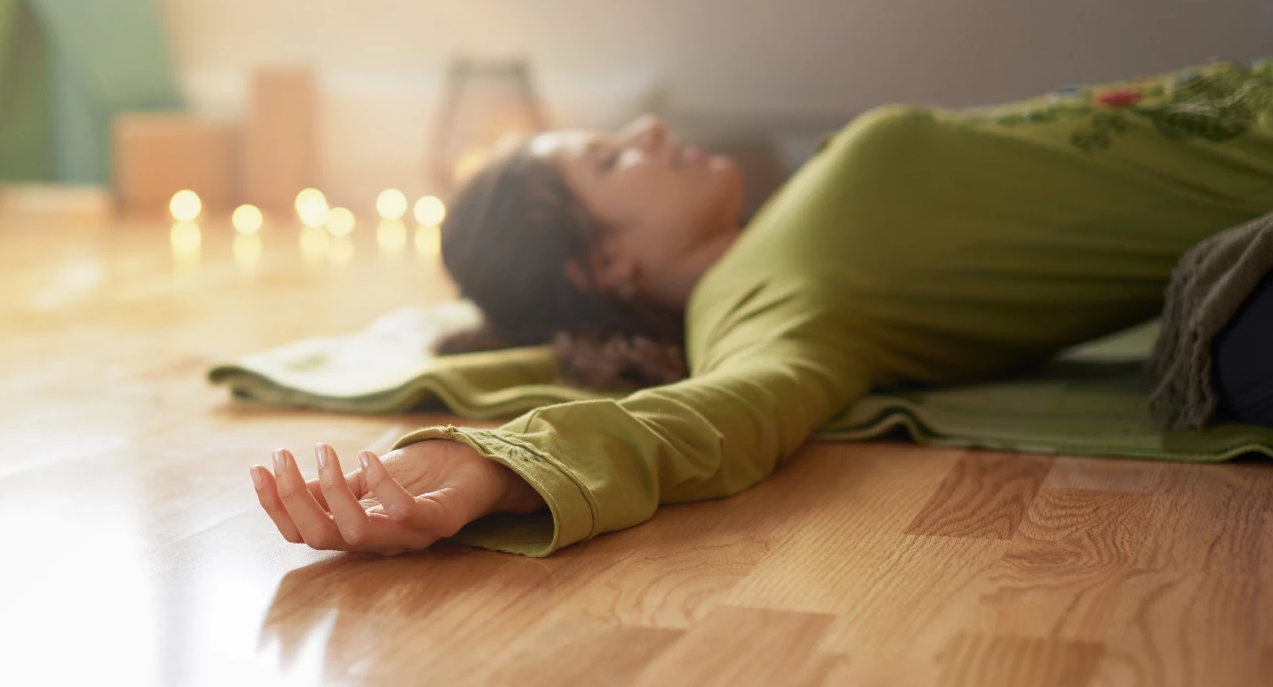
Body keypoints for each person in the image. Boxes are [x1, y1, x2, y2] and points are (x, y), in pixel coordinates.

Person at [249, 59, 1273, 557]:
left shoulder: (774, 234)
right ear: (602, 265)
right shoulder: (770, 301)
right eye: (612, 160)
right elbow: (728, 409)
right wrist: (495, 463)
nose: (649, 128)